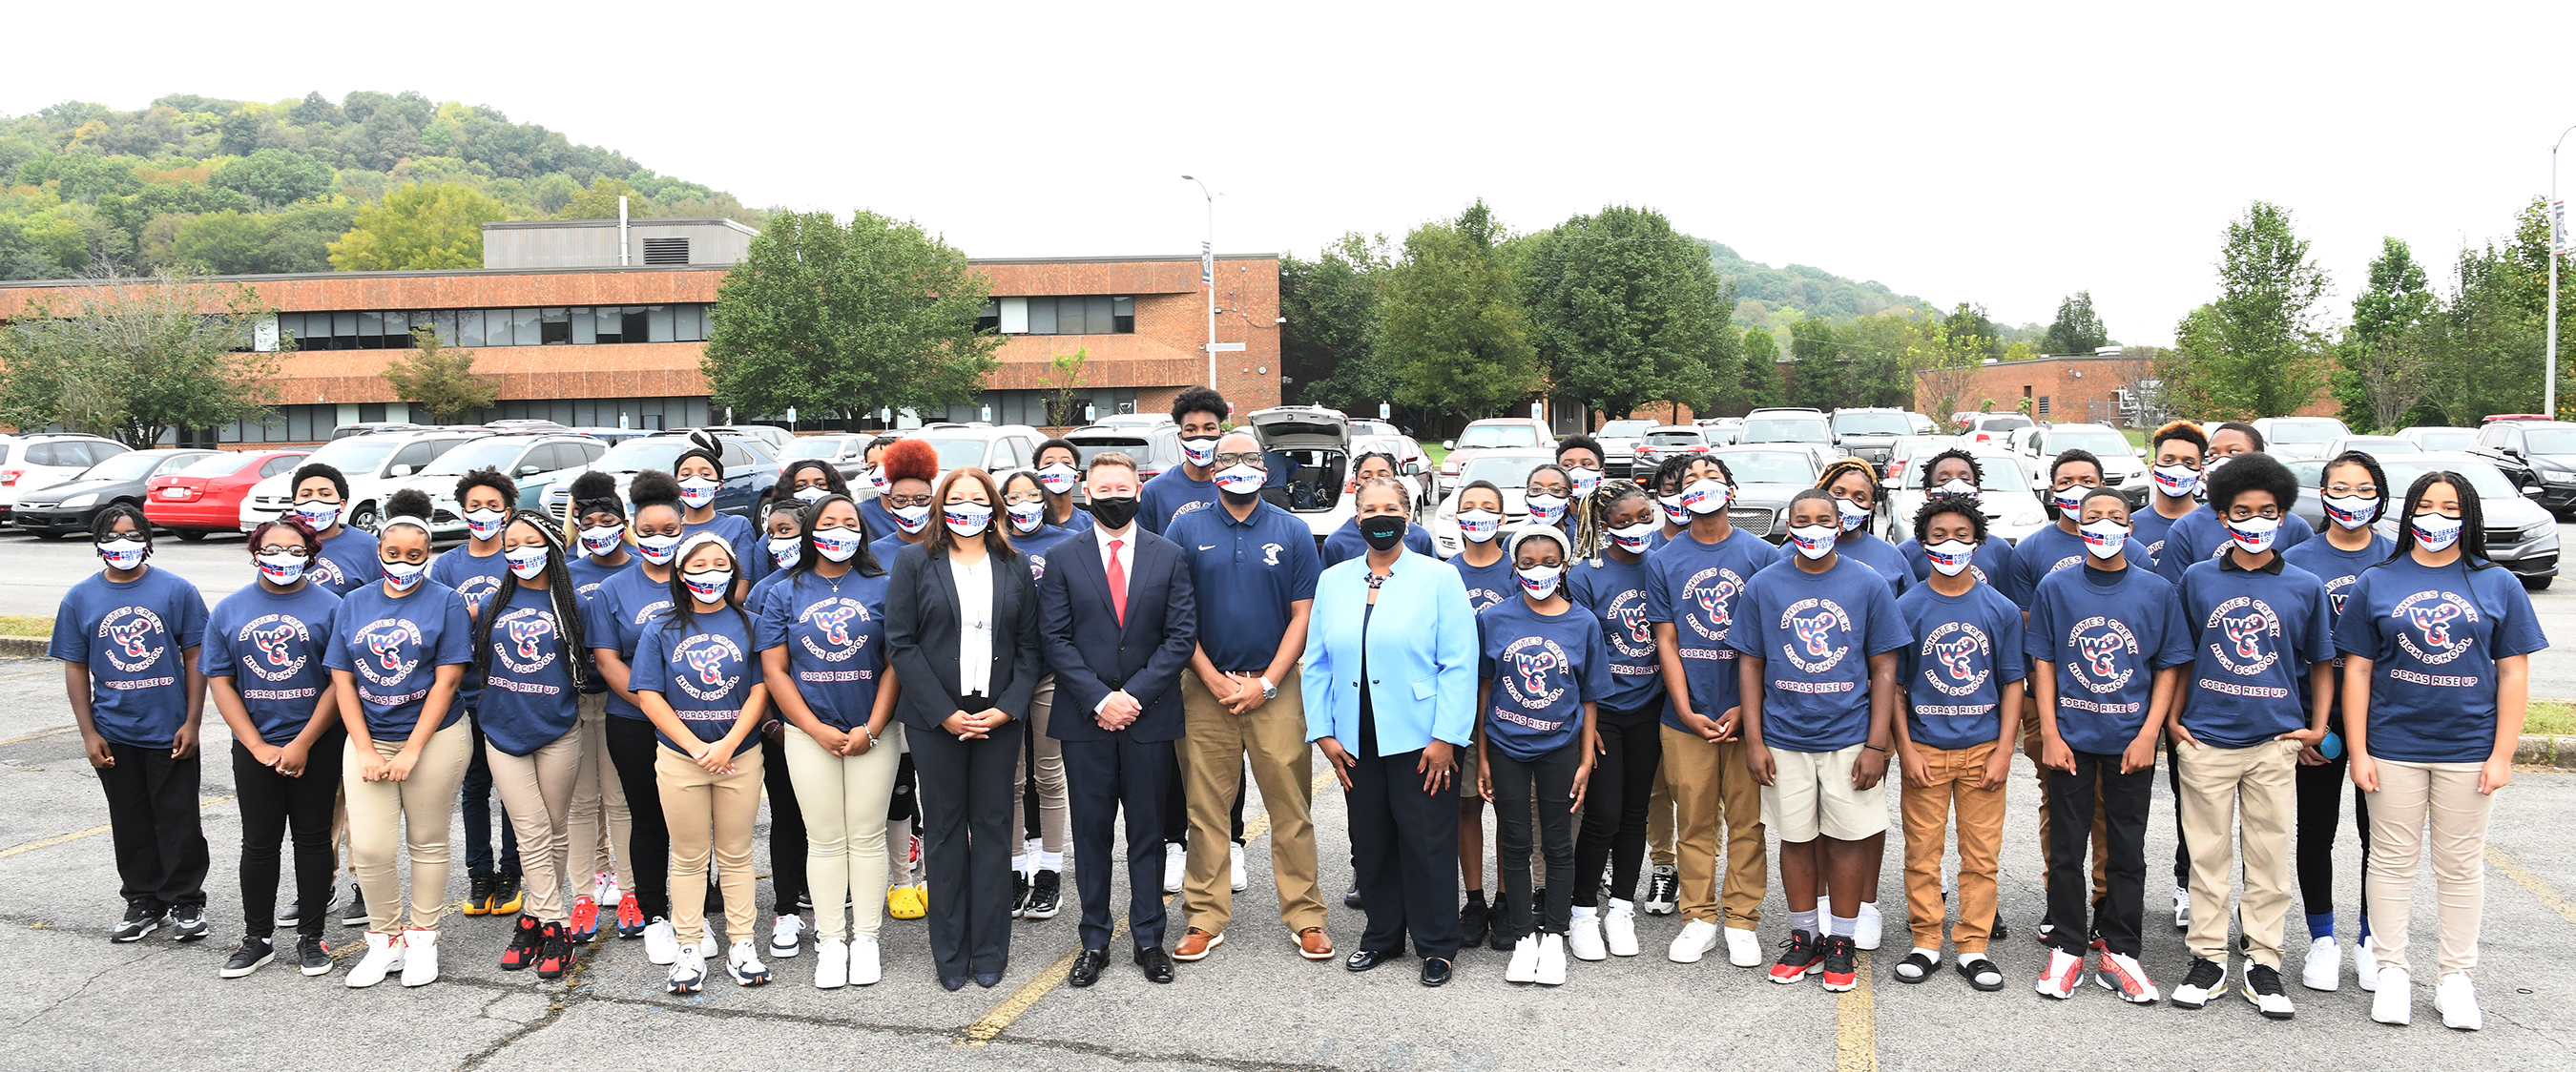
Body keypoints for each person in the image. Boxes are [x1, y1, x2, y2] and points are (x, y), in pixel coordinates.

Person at [2339, 470, 2547, 1030]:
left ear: (2468, 515)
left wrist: (2503, 754)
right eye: (2426, 506)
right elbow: (2356, 670)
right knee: (2390, 862)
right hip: (2392, 746)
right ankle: (2391, 972)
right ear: (2408, 515)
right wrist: (2358, 750)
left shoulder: (2497, 582)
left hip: (2469, 749)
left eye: (2449, 507)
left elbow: (2513, 673)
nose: (2437, 517)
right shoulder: (2377, 580)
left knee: (2459, 867)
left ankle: (2455, 977)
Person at [2163, 452, 2332, 1020]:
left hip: (2273, 742)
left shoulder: (2304, 585)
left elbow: (2323, 661)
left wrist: (2316, 727)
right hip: (2207, 739)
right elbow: (2180, 656)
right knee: (2207, 857)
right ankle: (2207, 958)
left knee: (2268, 858)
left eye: (2267, 511)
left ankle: (2264, 963)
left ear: (2283, 516)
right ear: (2222, 515)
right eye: (2242, 511)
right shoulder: (2198, 578)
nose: (2255, 520)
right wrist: (2175, 723)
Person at [1164, 436, 1335, 963]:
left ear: (1267, 468)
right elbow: (1176, 615)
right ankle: (1203, 917)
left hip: (1275, 687)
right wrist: (1213, 679)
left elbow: (1303, 615)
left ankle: (1306, 916)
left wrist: (1266, 683)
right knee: (1206, 808)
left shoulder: (1293, 530)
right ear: (1212, 469)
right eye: (1228, 460)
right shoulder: (1186, 527)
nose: (1240, 468)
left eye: (1250, 460)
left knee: (1291, 807)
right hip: (1203, 686)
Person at [1304, 477, 1478, 987]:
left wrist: (1447, 736)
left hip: (1423, 736)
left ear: (1408, 515)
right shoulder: (1333, 579)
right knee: (1371, 837)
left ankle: (1437, 944)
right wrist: (1324, 732)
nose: (1380, 517)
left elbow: (1460, 665)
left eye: (1391, 508)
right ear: (1356, 519)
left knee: (1426, 838)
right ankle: (1381, 936)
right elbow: (1316, 663)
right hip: (1354, 734)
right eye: (1369, 509)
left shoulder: (1438, 578)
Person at [1736, 490, 1907, 994]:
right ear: (1788, 526)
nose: (1813, 529)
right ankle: (1805, 935)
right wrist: (1754, 738)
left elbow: (1883, 667)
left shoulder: (1867, 583)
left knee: (1849, 838)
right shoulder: (1765, 585)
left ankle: (1843, 940)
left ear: (1841, 524)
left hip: (1850, 737)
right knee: (1796, 838)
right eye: (1803, 520)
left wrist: (1877, 744)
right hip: (1784, 736)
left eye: (1824, 519)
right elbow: (1751, 662)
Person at [2025, 488, 2191, 1005]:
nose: (2103, 526)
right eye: (2092, 516)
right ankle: (2068, 947)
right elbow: (2045, 662)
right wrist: (2050, 732)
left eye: (2115, 517)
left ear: (2131, 527)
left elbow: (2168, 665)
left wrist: (2150, 735)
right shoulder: (2056, 586)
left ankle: (2120, 949)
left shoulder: (2157, 590)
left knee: (2126, 850)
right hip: (2071, 740)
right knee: (2067, 849)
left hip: (2130, 745)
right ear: (2075, 521)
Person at [1039, 453, 1198, 986]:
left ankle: (1150, 938)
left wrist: (1131, 695)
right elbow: (1054, 639)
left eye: (1123, 487)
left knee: (1149, 833)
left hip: (1149, 717)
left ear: (1139, 490)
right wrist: (1101, 700)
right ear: (1087, 492)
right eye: (1104, 488)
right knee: (1091, 833)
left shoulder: (1169, 555)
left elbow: (1180, 637)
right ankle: (1094, 939)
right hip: (1086, 720)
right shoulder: (1063, 557)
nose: (1114, 496)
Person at [885, 466, 1045, 990]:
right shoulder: (914, 561)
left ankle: (990, 949)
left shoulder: (1015, 565)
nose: (968, 507)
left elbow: (1030, 646)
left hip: (997, 716)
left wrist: (1007, 707)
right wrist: (943, 712)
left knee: (996, 830)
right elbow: (901, 642)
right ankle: (950, 953)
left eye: (979, 498)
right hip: (938, 719)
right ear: (941, 506)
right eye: (958, 498)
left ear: (994, 507)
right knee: (946, 832)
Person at [327, 490, 474, 988]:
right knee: (369, 848)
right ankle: (383, 941)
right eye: (393, 554)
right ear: (379, 552)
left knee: (427, 840)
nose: (404, 563)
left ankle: (422, 939)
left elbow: (448, 678)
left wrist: (413, 747)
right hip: (370, 736)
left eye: (416, 555)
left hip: (434, 736)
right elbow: (343, 679)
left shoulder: (446, 601)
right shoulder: (354, 602)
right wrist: (365, 748)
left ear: (427, 554)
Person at [758, 493, 901, 989]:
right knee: (823, 840)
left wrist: (873, 727)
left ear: (861, 531)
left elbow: (895, 663)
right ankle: (831, 940)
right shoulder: (784, 591)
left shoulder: (885, 584)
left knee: (865, 837)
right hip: (807, 733)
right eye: (828, 522)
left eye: (849, 523)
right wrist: (813, 729)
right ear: (811, 531)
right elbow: (775, 669)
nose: (839, 531)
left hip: (874, 732)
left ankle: (865, 940)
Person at [56, 505, 212, 945]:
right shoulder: (80, 598)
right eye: (112, 535)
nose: (121, 544)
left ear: (147, 540)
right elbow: (74, 666)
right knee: (130, 818)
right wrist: (89, 732)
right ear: (97, 544)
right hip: (114, 729)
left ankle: (185, 900)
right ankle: (143, 900)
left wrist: (192, 721)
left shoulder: (176, 590)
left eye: (131, 535)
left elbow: (196, 656)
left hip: (169, 729)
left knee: (178, 816)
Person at [1889, 494, 2024, 991]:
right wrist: (1904, 748)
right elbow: (1897, 686)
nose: (1951, 544)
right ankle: (1926, 940)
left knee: (1980, 855)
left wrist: (2005, 749)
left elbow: (2013, 682)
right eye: (1939, 535)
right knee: (1922, 852)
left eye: (1962, 536)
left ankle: (1973, 945)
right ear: (1922, 544)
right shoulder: (1907, 605)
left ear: (1979, 542)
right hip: (1924, 747)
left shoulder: (2000, 608)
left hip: (1984, 749)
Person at [631, 533, 773, 994]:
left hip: (740, 756)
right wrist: (695, 746)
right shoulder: (660, 628)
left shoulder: (752, 624)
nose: (709, 573)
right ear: (680, 574)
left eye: (719, 564)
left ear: (733, 570)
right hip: (680, 759)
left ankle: (742, 944)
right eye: (698, 565)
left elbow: (760, 689)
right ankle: (689, 946)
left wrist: (728, 743)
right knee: (689, 856)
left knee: (736, 854)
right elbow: (649, 693)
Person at [1649, 457, 1775, 970]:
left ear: (1731, 488)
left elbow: (1770, 642)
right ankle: (1698, 918)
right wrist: (1684, 707)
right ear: (1676, 495)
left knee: (1747, 821)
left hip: (1747, 715)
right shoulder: (1663, 558)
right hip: (1686, 718)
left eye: (1712, 478)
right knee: (1694, 820)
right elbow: (1668, 639)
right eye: (1688, 482)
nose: (1701, 487)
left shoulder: (1762, 554)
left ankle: (1742, 920)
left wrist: (1746, 710)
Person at [204, 518, 343, 978]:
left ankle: (311, 935)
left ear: (310, 552)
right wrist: (257, 746)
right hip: (255, 744)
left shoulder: (332, 607)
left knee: (311, 837)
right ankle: (256, 937)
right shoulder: (229, 609)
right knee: (259, 842)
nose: (282, 557)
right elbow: (221, 682)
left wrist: (302, 743)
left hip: (317, 743)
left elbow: (337, 683)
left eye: (293, 548)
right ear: (255, 551)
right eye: (272, 548)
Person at [2279, 450, 2391, 992]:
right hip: (2314, 717)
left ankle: (2372, 939)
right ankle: (2322, 938)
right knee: (2317, 829)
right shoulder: (2296, 559)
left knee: (2380, 837)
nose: (2353, 500)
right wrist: (2307, 724)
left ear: (2382, 493)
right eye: (2341, 488)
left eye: (2365, 489)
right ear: (2322, 493)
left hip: (2384, 720)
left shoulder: (2400, 558)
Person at [1477, 524, 1607, 986]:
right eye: (1527, 562)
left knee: (1557, 843)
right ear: (1513, 567)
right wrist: (1485, 754)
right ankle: (1523, 936)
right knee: (1513, 840)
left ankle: (1555, 935)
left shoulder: (1582, 622)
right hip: (1507, 746)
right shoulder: (1494, 619)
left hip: (1561, 747)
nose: (1538, 570)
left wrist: (1586, 756)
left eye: (1549, 561)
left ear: (1565, 564)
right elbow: (1485, 687)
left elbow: (1590, 695)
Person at [473, 511, 592, 981]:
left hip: (558, 728)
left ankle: (532, 920)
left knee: (556, 828)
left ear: (551, 545)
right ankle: (556, 926)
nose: (520, 552)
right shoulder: (491, 603)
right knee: (531, 828)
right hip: (503, 731)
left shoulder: (573, 603)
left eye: (530, 542)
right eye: (511, 545)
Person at [584, 470, 686, 963]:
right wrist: (655, 705)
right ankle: (654, 912)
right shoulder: (613, 590)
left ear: (684, 529)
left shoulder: (701, 580)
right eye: (647, 532)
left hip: (700, 721)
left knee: (693, 821)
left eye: (670, 532)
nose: (658, 541)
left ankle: (695, 904)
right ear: (631, 531)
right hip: (634, 721)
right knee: (648, 820)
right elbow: (607, 661)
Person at [1562, 482, 1665, 962]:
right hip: (1603, 713)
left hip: (1651, 708)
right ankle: (1583, 911)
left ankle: (1621, 908)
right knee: (1601, 815)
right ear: (1604, 527)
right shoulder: (1586, 575)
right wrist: (1590, 720)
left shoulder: (1665, 562)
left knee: (1634, 814)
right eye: (1622, 521)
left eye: (1644, 515)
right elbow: (1581, 650)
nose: (1636, 526)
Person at [435, 467, 523, 921]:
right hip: (464, 689)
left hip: (507, 689)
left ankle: (511, 872)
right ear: (462, 511)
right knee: (474, 786)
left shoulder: (517, 556)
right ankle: (479, 872)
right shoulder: (447, 564)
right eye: (474, 506)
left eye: (493, 506)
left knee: (510, 787)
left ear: (508, 511)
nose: (483, 514)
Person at [563, 470, 641, 942]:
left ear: (621, 521)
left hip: (624, 701)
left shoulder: (638, 566)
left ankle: (630, 888)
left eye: (606, 519)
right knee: (581, 802)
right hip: (576, 698)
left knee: (620, 799)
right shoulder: (567, 572)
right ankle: (584, 894)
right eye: (587, 521)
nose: (597, 528)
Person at [865, 437, 940, 919]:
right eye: (900, 499)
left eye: (921, 499)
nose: (910, 507)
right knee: (896, 791)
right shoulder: (870, 554)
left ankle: (939, 875)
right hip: (887, 692)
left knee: (938, 790)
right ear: (886, 499)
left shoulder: (952, 546)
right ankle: (900, 881)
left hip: (942, 691)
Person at [1000, 469, 1073, 919]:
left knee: (1049, 776)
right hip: (1001, 679)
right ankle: (1011, 872)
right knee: (1009, 779)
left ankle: (1049, 871)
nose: (1024, 502)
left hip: (1049, 674)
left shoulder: (1062, 545)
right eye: (1014, 496)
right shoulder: (993, 545)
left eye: (1032, 494)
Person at [1446, 477, 1515, 935]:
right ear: (1457, 517)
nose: (1478, 514)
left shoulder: (1519, 567)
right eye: (1469, 506)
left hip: (1512, 705)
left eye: (1487, 506)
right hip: (1461, 708)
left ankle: (1508, 898)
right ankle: (1474, 899)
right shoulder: (1445, 572)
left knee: (1509, 807)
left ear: (1502, 517)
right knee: (1466, 804)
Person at [746, 493, 813, 959]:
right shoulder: (764, 591)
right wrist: (772, 725)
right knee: (788, 815)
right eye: (772, 533)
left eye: (788, 531)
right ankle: (786, 906)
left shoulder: (852, 583)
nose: (778, 540)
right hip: (782, 730)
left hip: (843, 727)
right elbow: (757, 672)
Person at [2154, 423, 2316, 588]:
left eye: (2233, 452)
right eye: (2213, 454)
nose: (2222, 460)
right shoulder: (2187, 528)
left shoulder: (2296, 528)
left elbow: (2306, 587)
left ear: (2259, 456)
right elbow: (2175, 595)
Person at [1893, 449, 2018, 589]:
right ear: (1929, 492)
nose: (1955, 485)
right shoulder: (1906, 553)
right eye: (1944, 479)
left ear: (1976, 491)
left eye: (1964, 479)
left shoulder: (1999, 550)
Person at [673, 431, 759, 588]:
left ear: (719, 484)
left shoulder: (738, 526)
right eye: (686, 474)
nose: (695, 480)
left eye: (705, 474)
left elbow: (740, 591)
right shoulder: (668, 531)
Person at [1319, 450, 1434, 567]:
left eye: (1383, 476)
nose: (1375, 482)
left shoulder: (1419, 538)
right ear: (1354, 486)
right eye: (1367, 477)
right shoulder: (1337, 542)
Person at [1139, 385, 1229, 534]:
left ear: (1222, 434)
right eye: (1191, 430)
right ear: (1180, 437)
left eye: (1209, 428)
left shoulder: (1234, 485)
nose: (1200, 436)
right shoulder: (1154, 491)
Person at [288, 463, 382, 596]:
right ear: (295, 505)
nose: (315, 500)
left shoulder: (368, 546)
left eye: (325, 494)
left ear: (342, 505)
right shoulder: (281, 544)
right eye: (306, 495)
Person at [2130, 421, 2211, 567]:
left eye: (2188, 463)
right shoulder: (2130, 526)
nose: (2178, 468)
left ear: (2201, 472)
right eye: (2168, 461)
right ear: (2153, 467)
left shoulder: (2214, 525)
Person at [1553, 434, 1608, 558]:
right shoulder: (1552, 521)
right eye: (1568, 465)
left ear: (1601, 473)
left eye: (1586, 464)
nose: (1578, 470)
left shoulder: (1615, 517)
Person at [1032, 438, 1096, 532]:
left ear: (1077, 476)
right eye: (1049, 463)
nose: (1058, 467)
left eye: (1066, 462)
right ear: (1037, 476)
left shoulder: (1093, 524)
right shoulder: (1029, 524)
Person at [857, 435, 904, 540]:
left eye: (888, 463)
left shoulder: (929, 510)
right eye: (873, 466)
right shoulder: (861, 512)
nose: (881, 471)